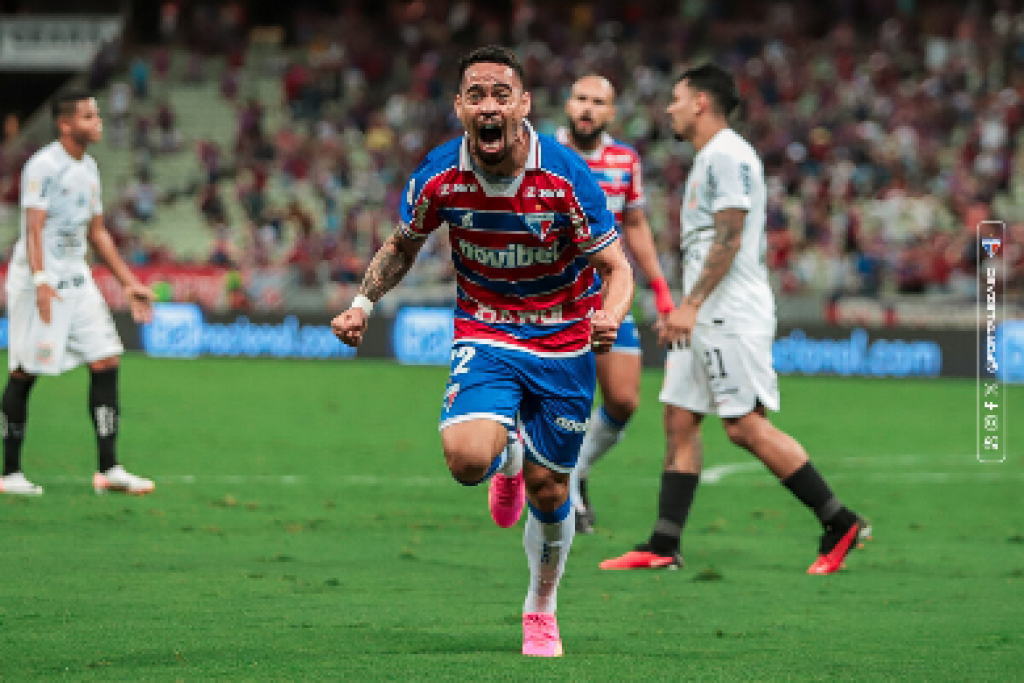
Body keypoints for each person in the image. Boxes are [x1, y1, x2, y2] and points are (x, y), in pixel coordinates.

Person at [332, 46, 633, 656]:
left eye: (502, 94)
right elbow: (401, 246)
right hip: (487, 331)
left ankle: (540, 607)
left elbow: (616, 267)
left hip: (564, 337)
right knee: (467, 460)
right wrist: (362, 304)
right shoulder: (440, 174)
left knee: (552, 493)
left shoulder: (567, 176)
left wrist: (611, 312)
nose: (490, 105)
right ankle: (506, 459)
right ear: (460, 108)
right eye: (477, 95)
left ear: (523, 105)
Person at [599, 65, 869, 575]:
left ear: (701, 102)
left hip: (728, 311)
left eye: (676, 99)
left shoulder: (727, 155)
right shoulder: (711, 157)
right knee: (679, 418)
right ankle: (663, 543)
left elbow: (730, 235)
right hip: (706, 310)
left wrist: (690, 306)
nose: (669, 108)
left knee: (744, 426)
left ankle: (839, 521)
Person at [0, 89, 157, 497]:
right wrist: (39, 281)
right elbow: (32, 227)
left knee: (106, 360)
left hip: (76, 277)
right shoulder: (43, 166)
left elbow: (97, 231)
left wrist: (128, 282)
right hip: (41, 280)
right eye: (89, 116)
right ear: (65, 123)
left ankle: (109, 470)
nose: (98, 122)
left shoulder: (88, 168)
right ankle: (10, 472)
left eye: (97, 114)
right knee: (25, 370)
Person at [556, 75, 677, 534]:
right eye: (581, 99)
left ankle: (575, 470)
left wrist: (661, 288)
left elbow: (636, 222)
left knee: (623, 400)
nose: (587, 108)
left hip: (609, 293)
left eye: (597, 102)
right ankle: (557, 483)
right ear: (569, 104)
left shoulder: (624, 159)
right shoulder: (544, 152)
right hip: (557, 295)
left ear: (610, 113)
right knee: (560, 399)